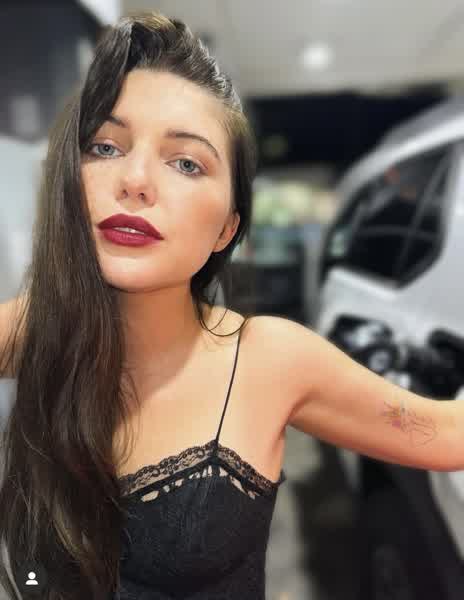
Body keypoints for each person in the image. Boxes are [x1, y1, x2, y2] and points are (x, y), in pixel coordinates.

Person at [0, 10, 462, 600]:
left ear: (227, 229)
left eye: (186, 162)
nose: (135, 179)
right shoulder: (37, 328)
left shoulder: (269, 359)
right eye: (105, 146)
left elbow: (447, 435)